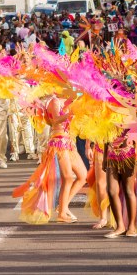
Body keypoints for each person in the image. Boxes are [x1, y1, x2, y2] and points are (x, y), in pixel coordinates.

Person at [13, 96, 87, 224]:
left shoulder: (68, 100)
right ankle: (62, 213)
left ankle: (62, 207)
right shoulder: (54, 101)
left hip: (68, 142)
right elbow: (55, 121)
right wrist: (71, 114)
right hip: (58, 142)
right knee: (68, 177)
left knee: (82, 176)